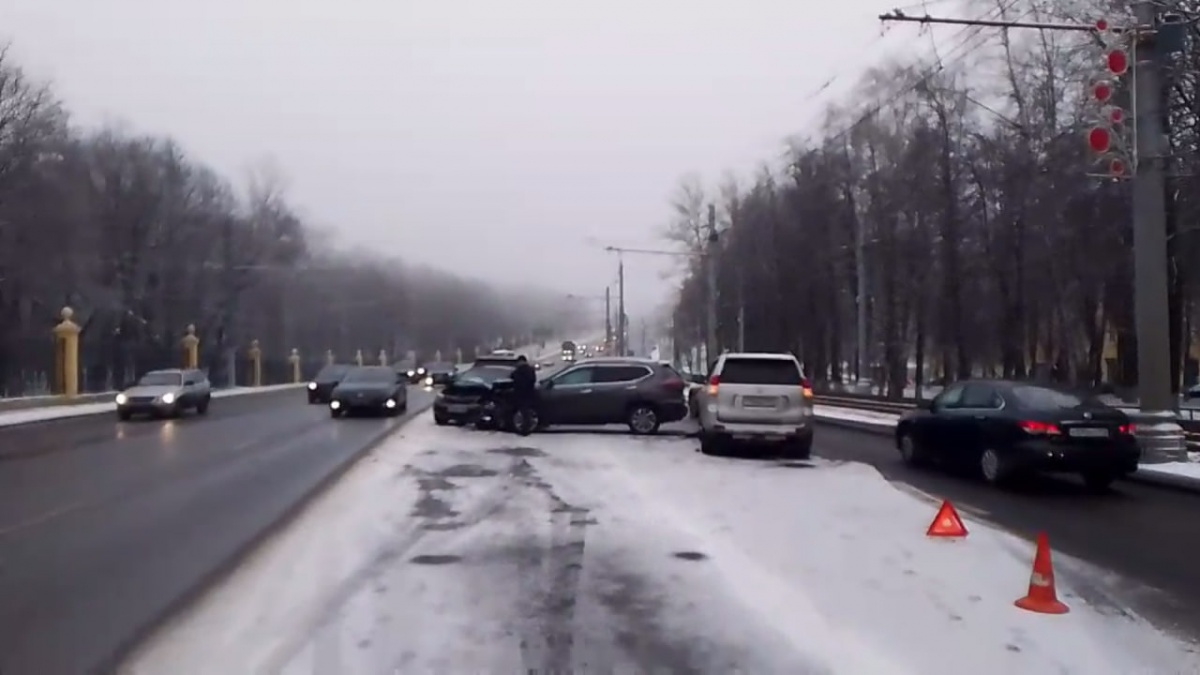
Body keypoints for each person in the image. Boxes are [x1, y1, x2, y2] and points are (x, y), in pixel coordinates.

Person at [508, 354, 539, 433]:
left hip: (520, 394)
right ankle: (527, 426)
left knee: (523, 411)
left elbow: (512, 378)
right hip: (530, 393)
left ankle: (525, 428)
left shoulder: (518, 371)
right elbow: (533, 380)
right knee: (527, 411)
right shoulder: (531, 370)